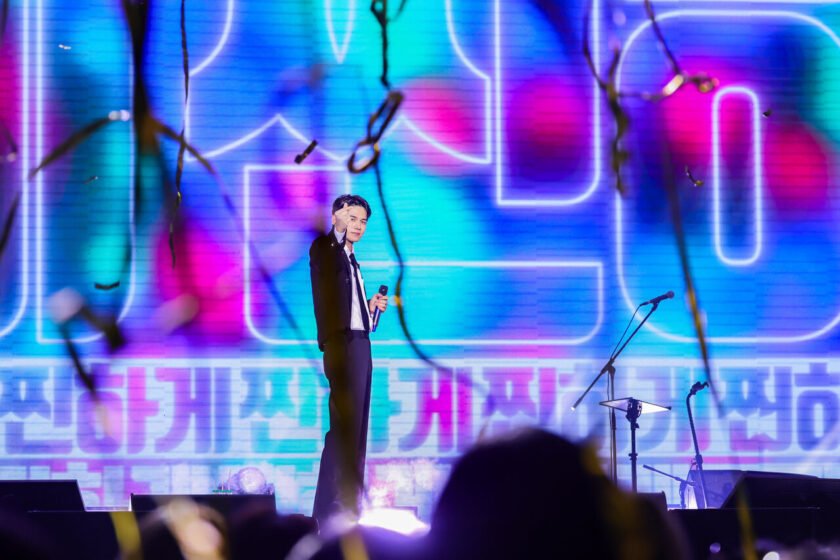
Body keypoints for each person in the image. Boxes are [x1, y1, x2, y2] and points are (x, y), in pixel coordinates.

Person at [310, 194, 389, 527]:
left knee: (356, 432)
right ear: (336, 217)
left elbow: (351, 311)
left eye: (362, 221)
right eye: (351, 218)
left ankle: (347, 507)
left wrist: (370, 308)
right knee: (343, 429)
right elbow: (329, 251)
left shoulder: (353, 261)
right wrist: (337, 230)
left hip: (360, 343)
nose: (357, 226)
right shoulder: (326, 250)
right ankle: (330, 511)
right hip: (342, 346)